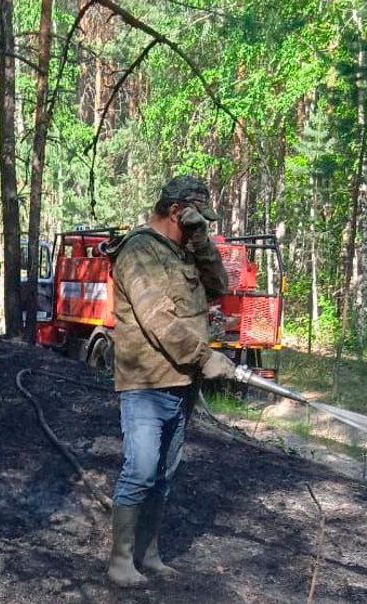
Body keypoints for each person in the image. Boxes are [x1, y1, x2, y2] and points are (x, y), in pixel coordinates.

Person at [103, 175, 238, 587]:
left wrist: (201, 241)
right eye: (196, 219)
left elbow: (220, 286)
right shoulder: (139, 252)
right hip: (146, 384)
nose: (202, 227)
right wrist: (205, 357)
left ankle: (149, 553)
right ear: (176, 211)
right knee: (141, 471)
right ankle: (121, 562)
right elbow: (158, 319)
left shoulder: (183, 251)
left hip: (180, 386)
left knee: (163, 476)